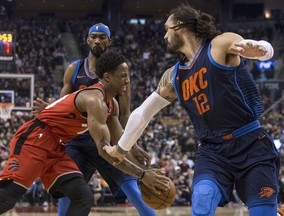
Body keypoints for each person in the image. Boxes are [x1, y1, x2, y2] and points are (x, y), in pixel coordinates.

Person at [103, 4, 284, 216]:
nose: (164, 36)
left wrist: (262, 50)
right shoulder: (174, 75)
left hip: (251, 143)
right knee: (201, 202)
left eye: (166, 29)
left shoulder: (218, 45)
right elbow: (144, 112)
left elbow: (256, 47)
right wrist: (121, 149)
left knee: (263, 212)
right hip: (212, 151)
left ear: (180, 27)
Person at [0, 51, 170, 215]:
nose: (127, 80)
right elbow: (106, 152)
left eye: (128, 75)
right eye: (123, 75)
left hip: (57, 146)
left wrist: (145, 167)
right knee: (9, 195)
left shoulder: (112, 106)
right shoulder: (94, 100)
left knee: (83, 198)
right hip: (35, 139)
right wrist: (142, 175)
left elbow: (120, 145)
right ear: (107, 77)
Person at [32, 23, 157, 216]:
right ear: (88, 40)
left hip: (107, 136)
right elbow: (63, 103)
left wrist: (132, 143)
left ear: (109, 41)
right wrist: (48, 110)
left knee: (131, 186)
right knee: (68, 189)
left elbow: (125, 113)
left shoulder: (120, 73)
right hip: (78, 141)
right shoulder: (74, 69)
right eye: (94, 36)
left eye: (102, 37)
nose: (98, 40)